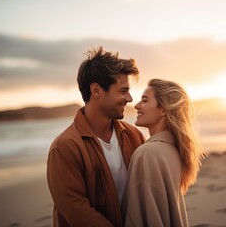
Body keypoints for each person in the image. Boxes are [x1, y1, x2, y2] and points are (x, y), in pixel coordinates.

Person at [47, 46, 145, 227]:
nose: (130, 99)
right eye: (123, 91)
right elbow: (77, 213)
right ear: (97, 90)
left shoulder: (134, 136)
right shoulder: (64, 147)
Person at [122, 79, 205, 227]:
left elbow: (136, 218)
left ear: (163, 109)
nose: (137, 105)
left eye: (145, 100)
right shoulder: (175, 150)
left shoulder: (146, 153)